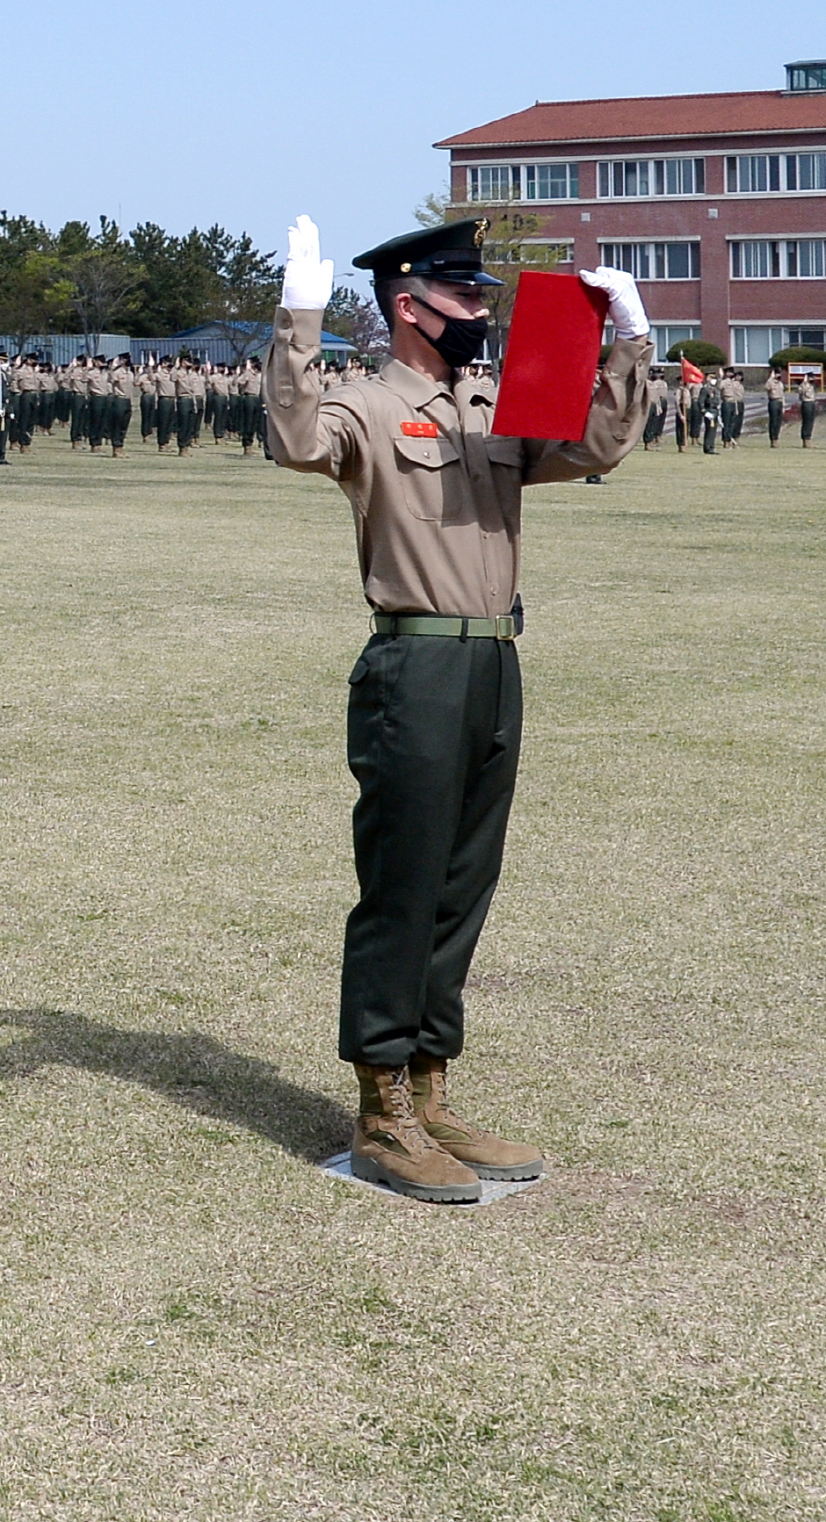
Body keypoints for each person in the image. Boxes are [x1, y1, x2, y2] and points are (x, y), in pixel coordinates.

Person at [266, 216, 651, 1203]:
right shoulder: (365, 404)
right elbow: (295, 439)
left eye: (482, 295)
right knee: (403, 887)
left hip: (493, 664)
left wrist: (625, 340)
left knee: (462, 885)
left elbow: (596, 446)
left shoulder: (493, 402)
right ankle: (381, 1106)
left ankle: (429, 1088)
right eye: (466, 295)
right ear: (409, 302)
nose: (484, 310)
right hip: (416, 668)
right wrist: (297, 320)